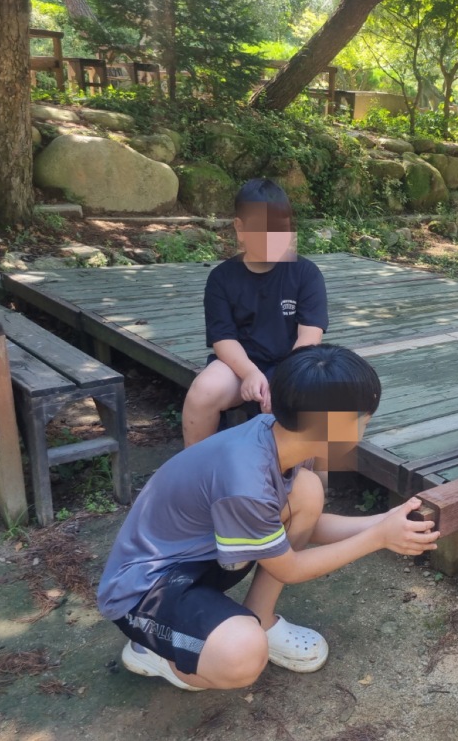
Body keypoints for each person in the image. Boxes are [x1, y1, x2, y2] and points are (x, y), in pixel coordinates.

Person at [97, 344, 440, 691]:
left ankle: (260, 617)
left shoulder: (282, 437)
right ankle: (153, 651)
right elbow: (290, 568)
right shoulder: (246, 482)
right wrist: (378, 538)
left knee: (306, 491)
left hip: (199, 556)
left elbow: (294, 524)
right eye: (364, 421)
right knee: (242, 655)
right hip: (142, 589)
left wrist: (384, 521)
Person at [182, 178, 329, 447]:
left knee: (316, 400)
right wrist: (250, 372)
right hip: (239, 365)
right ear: (240, 228)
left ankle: (306, 471)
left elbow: (310, 337)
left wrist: (282, 380)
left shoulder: (306, 273)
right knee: (203, 392)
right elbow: (223, 338)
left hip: (292, 363)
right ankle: (197, 464)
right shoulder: (221, 278)